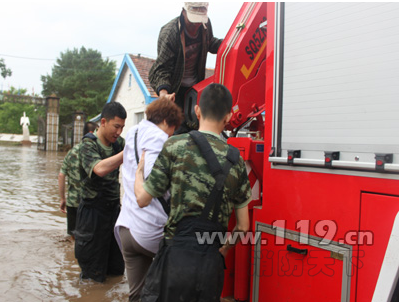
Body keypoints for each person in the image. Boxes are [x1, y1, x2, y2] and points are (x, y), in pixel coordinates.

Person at [134, 83, 252, 301]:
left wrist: (138, 174)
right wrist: (224, 250)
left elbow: (142, 199)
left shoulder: (175, 146)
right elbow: (244, 226)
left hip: (174, 259)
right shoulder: (236, 161)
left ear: (197, 110)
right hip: (210, 265)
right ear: (227, 117)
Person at [114, 98, 183, 301]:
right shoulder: (159, 137)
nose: (171, 134)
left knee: (137, 295)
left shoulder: (133, 133)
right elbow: (150, 180)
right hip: (150, 230)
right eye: (173, 128)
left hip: (126, 228)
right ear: (166, 122)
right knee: (170, 291)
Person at [149, 2, 223, 134]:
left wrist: (230, 44)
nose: (196, 25)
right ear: (184, 13)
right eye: (193, 21)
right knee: (177, 131)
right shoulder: (170, 33)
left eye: (199, 21)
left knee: (196, 130)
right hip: (175, 91)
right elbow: (161, 68)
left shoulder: (205, 25)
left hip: (195, 89)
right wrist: (164, 94)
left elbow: (210, 42)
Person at [74, 101, 126, 283]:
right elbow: (99, 169)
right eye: (116, 126)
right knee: (93, 276)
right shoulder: (88, 145)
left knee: (117, 270)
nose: (119, 132)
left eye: (122, 128)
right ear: (103, 122)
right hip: (92, 215)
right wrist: (127, 153)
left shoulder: (118, 144)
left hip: (114, 212)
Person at [58, 121, 97, 237]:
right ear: (91, 133)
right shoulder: (95, 152)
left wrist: (62, 199)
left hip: (72, 202)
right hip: (88, 204)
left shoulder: (72, 152)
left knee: (72, 237)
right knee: (87, 238)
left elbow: (61, 175)